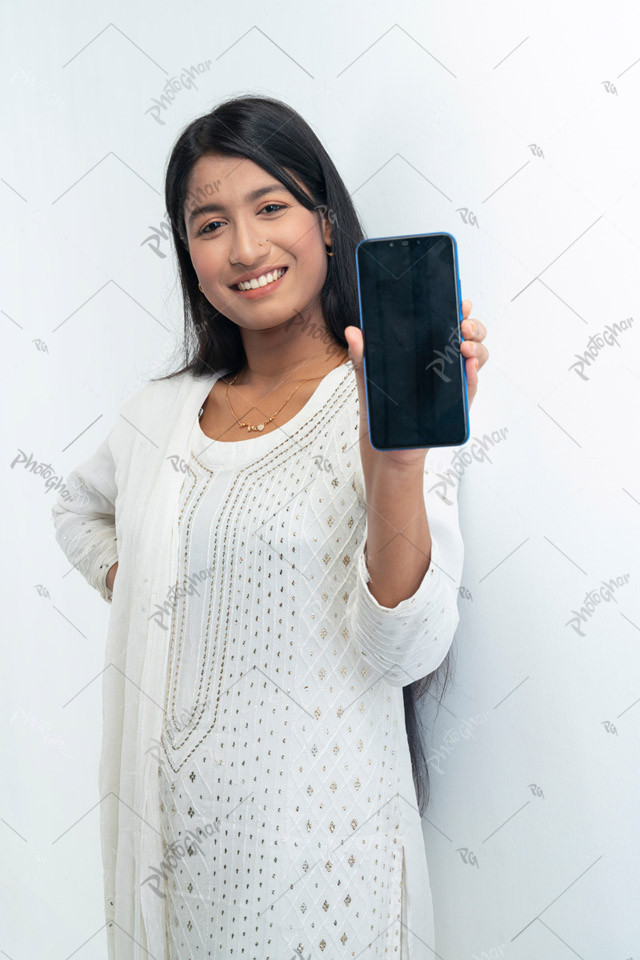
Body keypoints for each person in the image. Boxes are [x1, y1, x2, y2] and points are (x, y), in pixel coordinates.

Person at [51, 94, 489, 959]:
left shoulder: (384, 404)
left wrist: (394, 460)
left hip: (323, 868)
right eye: (210, 223)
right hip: (172, 871)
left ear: (326, 224)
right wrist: (137, 583)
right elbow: (78, 509)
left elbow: (405, 648)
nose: (245, 249)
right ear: (188, 251)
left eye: (271, 207)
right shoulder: (158, 415)